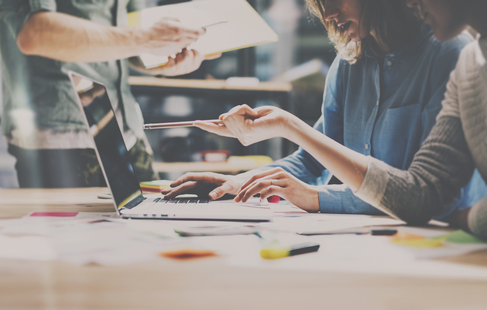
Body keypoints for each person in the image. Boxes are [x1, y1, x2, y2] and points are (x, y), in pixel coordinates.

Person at [163, 0, 486, 221]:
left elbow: (430, 197)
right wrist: (237, 184)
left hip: (437, 240)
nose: (328, 13)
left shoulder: (453, 55)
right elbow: (315, 157)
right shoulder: (349, 63)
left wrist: (318, 197)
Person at [0, 0, 218, 188]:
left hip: (127, 130)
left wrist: (162, 62)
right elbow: (35, 32)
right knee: (72, 238)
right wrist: (145, 38)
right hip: (62, 135)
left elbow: (127, 36)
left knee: (151, 230)